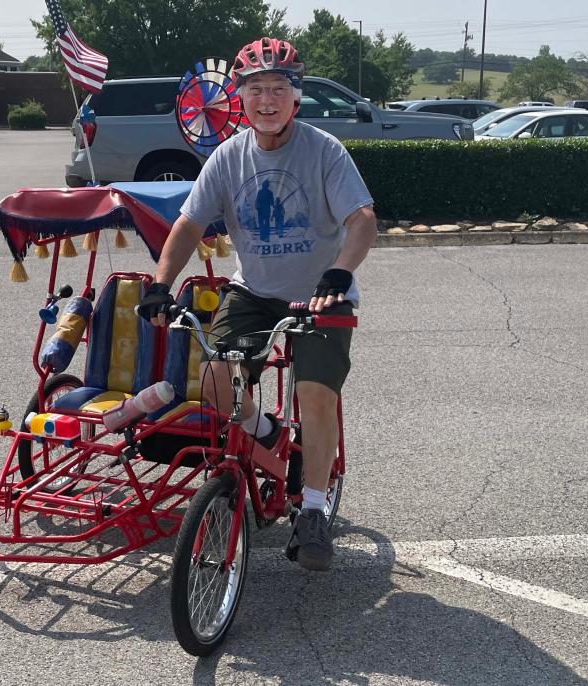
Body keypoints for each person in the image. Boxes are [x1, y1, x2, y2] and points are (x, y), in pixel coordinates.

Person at [136, 37, 377, 571]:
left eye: (278, 89)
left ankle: (312, 509)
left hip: (322, 292)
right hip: (253, 290)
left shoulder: (324, 151)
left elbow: (361, 220)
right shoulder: (228, 155)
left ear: (296, 98)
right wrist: (160, 282)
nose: (267, 100)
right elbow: (190, 223)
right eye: (255, 90)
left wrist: (340, 270)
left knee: (315, 394)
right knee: (218, 383)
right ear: (239, 99)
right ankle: (268, 433)